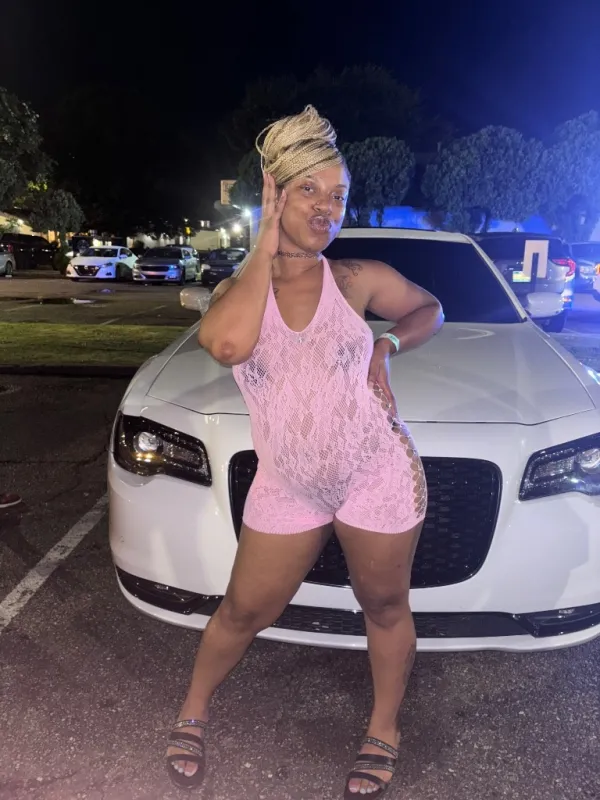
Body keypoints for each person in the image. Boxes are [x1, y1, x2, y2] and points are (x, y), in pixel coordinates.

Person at [166, 106, 444, 797]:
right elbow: (226, 344)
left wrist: (386, 342)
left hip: (376, 473)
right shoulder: (238, 292)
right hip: (288, 484)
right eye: (309, 190)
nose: (328, 207)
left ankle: (384, 727)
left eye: (338, 194)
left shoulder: (356, 278)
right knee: (242, 611)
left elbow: (429, 308)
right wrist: (264, 243)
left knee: (384, 604)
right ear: (276, 195)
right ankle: (193, 710)